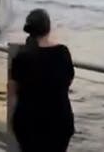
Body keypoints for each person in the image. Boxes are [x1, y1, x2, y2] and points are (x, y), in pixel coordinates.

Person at [8, 9, 75, 152]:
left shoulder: (22, 57)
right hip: (59, 121)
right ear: (48, 28)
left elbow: (13, 92)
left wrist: (13, 121)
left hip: (29, 122)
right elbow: (68, 81)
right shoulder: (62, 53)